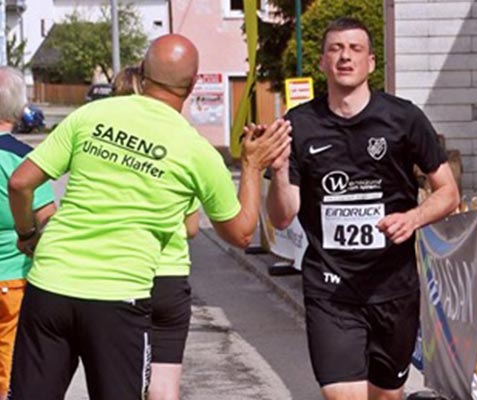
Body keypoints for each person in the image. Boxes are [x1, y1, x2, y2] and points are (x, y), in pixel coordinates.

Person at [8, 34, 290, 400]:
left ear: (141, 73)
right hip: (119, 296)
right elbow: (240, 233)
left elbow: (20, 183)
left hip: (51, 285)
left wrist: (28, 234)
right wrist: (251, 166)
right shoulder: (195, 150)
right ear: (191, 84)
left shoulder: (93, 114)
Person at [265, 17, 460, 400]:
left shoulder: (403, 118)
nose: (345, 57)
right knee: (343, 395)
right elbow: (282, 215)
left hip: (393, 286)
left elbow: (448, 192)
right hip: (330, 286)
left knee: (386, 394)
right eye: (335, 49)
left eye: (355, 49)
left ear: (371, 62)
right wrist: (280, 169)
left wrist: (413, 218)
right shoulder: (299, 125)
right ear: (322, 62)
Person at [112, 64, 201, 400]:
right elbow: (193, 228)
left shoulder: (104, 147)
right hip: (167, 274)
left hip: (115, 275)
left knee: (116, 377)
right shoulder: (178, 144)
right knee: (163, 385)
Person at [0, 67, 56, 400]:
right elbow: (47, 218)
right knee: (9, 364)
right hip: (14, 279)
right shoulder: (24, 159)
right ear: (20, 108)